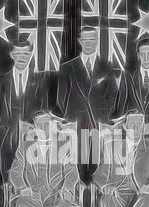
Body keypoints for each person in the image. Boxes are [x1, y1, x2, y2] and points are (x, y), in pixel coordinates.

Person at [57, 26, 119, 184]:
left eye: (92, 39)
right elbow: (61, 98)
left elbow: (113, 96)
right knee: (76, 159)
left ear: (97, 40)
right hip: (75, 123)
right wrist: (69, 119)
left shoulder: (107, 67)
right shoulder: (67, 67)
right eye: (85, 39)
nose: (88, 43)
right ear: (79, 41)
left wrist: (104, 117)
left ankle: (94, 194)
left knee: (97, 159)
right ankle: (78, 195)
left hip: (98, 122)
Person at [0, 39, 49, 182]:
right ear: (11, 55)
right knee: (4, 178)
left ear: (31, 54)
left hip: (31, 139)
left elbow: (43, 113)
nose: (22, 57)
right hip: (6, 138)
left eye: (25, 53)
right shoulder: (0, 81)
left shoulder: (40, 81)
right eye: (18, 53)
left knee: (26, 179)